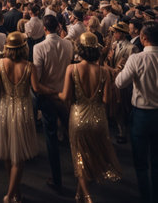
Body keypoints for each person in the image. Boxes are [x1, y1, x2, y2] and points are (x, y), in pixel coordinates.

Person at [0, 32, 56, 203]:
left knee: (7, 153)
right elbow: (37, 88)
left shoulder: (0, 64)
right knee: (19, 158)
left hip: (4, 109)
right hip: (22, 110)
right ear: (23, 48)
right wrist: (55, 91)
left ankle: (15, 192)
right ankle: (10, 196)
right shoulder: (29, 66)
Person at [59, 32, 121, 202]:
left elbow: (65, 96)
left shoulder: (72, 69)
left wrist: (55, 93)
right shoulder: (103, 72)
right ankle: (79, 192)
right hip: (99, 118)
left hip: (78, 116)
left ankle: (87, 196)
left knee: (79, 157)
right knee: (92, 155)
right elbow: (107, 99)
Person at [115, 21, 158, 203]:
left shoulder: (137, 59)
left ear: (144, 38)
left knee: (141, 163)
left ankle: (146, 197)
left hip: (141, 114)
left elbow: (119, 83)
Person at [33, 15, 73, 192]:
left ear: (44, 29)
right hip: (65, 94)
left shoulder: (39, 47)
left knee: (51, 139)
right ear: (58, 27)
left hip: (49, 96)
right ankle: (84, 173)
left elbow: (39, 76)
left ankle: (57, 179)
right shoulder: (68, 44)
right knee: (72, 135)